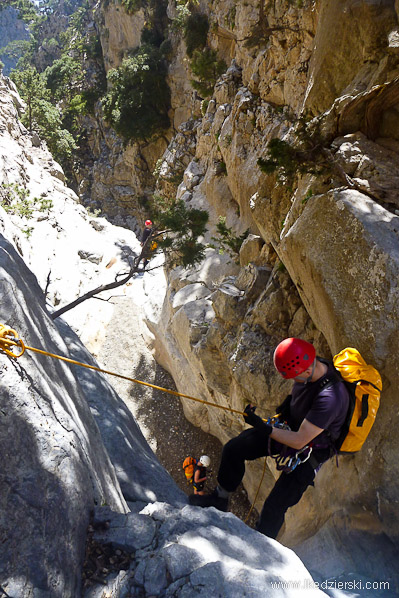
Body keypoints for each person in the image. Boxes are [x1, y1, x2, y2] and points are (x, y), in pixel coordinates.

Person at [189, 338, 350, 539]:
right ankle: (220, 499)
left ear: (307, 372)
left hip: (311, 450)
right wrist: (285, 409)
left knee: (275, 506)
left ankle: (260, 547)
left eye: (295, 377)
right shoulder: (312, 365)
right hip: (291, 428)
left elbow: (300, 440)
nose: (293, 381)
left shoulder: (330, 399)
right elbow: (300, 397)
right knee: (234, 448)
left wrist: (263, 428)